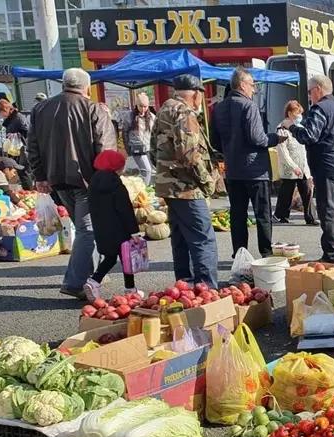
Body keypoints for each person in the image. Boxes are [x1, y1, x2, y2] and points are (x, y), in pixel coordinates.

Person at [27, 67, 116, 300]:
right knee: (88, 230)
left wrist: (40, 176)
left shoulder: (41, 109)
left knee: (85, 227)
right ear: (87, 87)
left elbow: (32, 148)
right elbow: (105, 150)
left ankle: (92, 276)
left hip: (57, 179)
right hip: (87, 180)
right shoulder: (93, 109)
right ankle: (75, 282)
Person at [152, 74, 219, 288]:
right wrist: (207, 182)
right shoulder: (184, 112)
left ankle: (185, 286)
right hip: (187, 188)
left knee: (180, 239)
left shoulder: (164, 109)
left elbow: (153, 150)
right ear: (196, 94)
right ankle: (207, 289)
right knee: (203, 240)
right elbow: (190, 154)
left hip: (170, 187)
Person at [210, 67, 286, 258]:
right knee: (262, 215)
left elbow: (214, 142)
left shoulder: (219, 107)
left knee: (238, 215)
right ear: (243, 85)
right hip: (255, 170)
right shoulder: (248, 106)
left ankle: (240, 253)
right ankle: (266, 254)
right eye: (252, 85)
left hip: (233, 170)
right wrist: (276, 138)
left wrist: (229, 150)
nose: (254, 89)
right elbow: (258, 138)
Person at [286, 75, 334, 265]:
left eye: (309, 91)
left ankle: (332, 255)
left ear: (318, 89)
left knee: (328, 212)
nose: (309, 96)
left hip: (327, 166)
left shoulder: (319, 109)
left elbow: (309, 135)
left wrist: (292, 127)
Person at [84, 150, 141, 300]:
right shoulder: (116, 185)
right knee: (126, 259)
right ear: (116, 167)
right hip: (119, 230)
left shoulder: (93, 183)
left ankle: (93, 282)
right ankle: (130, 290)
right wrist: (134, 231)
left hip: (102, 229)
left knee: (110, 257)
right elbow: (125, 209)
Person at [274, 100, 316, 226]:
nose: (299, 116)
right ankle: (280, 215)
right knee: (286, 192)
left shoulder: (300, 128)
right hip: (290, 167)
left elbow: (303, 150)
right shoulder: (281, 129)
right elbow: (283, 152)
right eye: (297, 113)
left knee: (307, 190)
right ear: (290, 113)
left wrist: (306, 167)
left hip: (303, 166)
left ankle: (310, 217)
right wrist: (293, 166)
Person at [120, 93, 156, 186]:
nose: (143, 109)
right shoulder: (129, 116)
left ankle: (146, 189)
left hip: (149, 148)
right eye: (141, 106)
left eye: (145, 106)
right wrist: (128, 149)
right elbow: (124, 133)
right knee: (147, 170)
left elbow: (155, 133)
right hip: (136, 148)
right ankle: (144, 191)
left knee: (150, 171)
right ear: (136, 105)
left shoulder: (152, 117)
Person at [0, 99, 30, 189]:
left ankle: (29, 190)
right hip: (14, 149)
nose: (0, 115)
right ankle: (23, 189)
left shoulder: (18, 117)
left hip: (22, 148)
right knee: (16, 170)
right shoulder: (11, 118)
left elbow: (27, 132)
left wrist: (15, 135)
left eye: (0, 112)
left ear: (5, 109)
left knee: (22, 170)